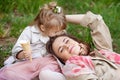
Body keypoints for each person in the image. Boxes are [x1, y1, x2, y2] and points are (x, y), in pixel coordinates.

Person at [0, 2, 66, 80]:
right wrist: (23, 54)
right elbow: (17, 48)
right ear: (43, 28)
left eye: (61, 30)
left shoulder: (58, 33)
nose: (59, 34)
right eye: (56, 32)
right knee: (9, 73)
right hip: (29, 63)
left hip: (48, 63)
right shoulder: (30, 32)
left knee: (51, 69)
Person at [46, 11, 120, 80]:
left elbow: (95, 21)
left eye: (66, 41)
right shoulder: (73, 68)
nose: (67, 46)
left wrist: (61, 18)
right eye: (61, 50)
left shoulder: (102, 52)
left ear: (77, 42)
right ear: (63, 60)